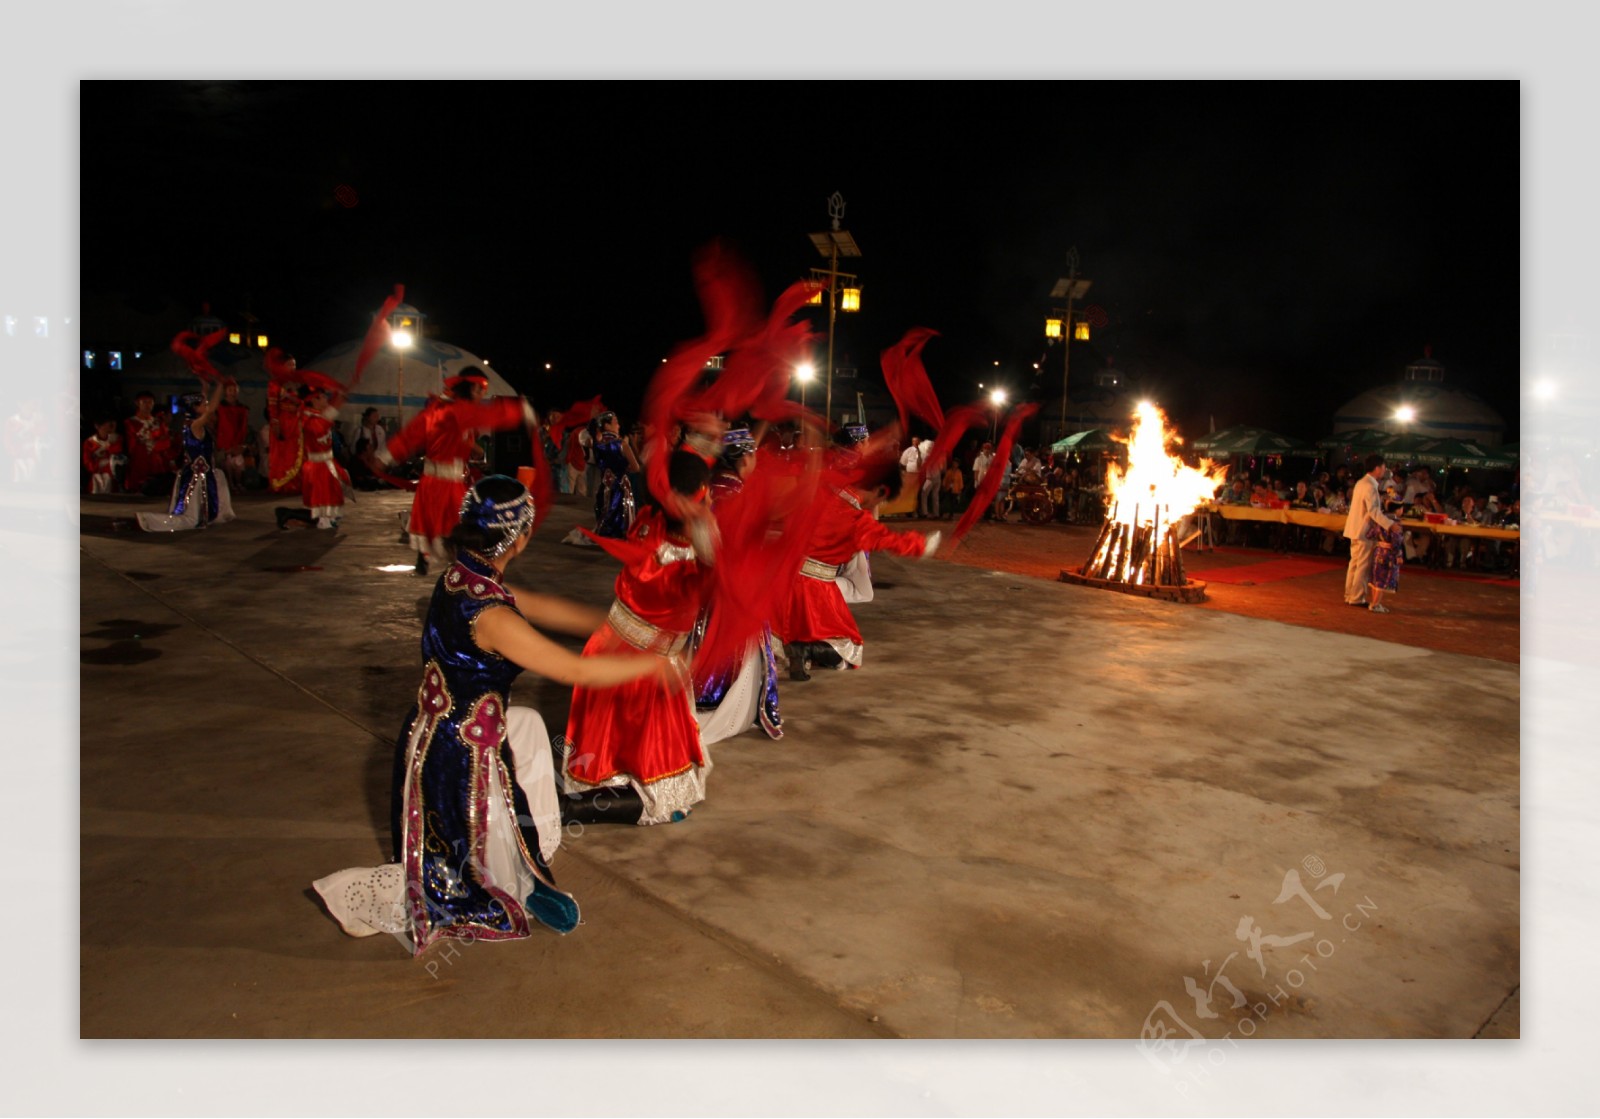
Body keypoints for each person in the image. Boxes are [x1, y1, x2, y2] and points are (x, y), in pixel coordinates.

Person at [312, 475, 673, 953]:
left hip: (431, 731)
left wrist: (618, 626)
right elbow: (569, 669)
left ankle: (531, 843)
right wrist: (652, 666)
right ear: (519, 537)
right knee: (456, 883)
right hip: (457, 754)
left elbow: (541, 606)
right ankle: (369, 897)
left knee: (525, 726)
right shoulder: (493, 617)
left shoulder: (462, 576)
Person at [559, 451, 718, 826]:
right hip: (645, 672)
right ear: (702, 494)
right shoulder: (689, 563)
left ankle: (582, 796)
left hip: (607, 650)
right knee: (664, 797)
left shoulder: (647, 525)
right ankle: (576, 809)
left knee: (608, 756)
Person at [775, 469, 940, 680]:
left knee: (780, 632)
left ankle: (797, 650)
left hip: (781, 580)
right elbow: (889, 541)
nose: (874, 507)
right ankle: (806, 650)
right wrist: (921, 545)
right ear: (879, 491)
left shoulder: (821, 492)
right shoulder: (856, 520)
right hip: (813, 589)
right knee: (850, 650)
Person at [371, 369, 534, 575]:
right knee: (453, 522)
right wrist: (519, 411)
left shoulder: (441, 410)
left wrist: (384, 457)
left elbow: (410, 435)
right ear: (473, 388)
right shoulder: (457, 410)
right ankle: (451, 563)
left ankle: (428, 560)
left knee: (437, 521)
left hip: (439, 480)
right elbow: (490, 415)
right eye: (482, 389)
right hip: (444, 482)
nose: (483, 394)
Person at [692, 428, 783, 744]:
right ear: (744, 458)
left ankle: (703, 694)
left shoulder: (708, 487)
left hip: (706, 578)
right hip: (735, 580)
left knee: (706, 634)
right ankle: (724, 701)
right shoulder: (739, 494)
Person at [137, 384, 236, 532]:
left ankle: (214, 514)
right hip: (196, 478)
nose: (207, 405)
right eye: (204, 404)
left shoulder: (192, 423)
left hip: (204, 473)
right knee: (190, 519)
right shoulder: (195, 425)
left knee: (219, 477)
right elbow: (210, 411)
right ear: (195, 408)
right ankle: (149, 520)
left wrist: (205, 387)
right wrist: (220, 387)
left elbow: (205, 410)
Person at [275, 378, 351, 530]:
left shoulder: (315, 417)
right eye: (323, 397)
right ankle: (287, 514)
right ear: (314, 400)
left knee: (327, 502)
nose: (326, 399)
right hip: (318, 467)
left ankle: (290, 516)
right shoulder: (310, 420)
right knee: (321, 505)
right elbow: (324, 424)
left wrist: (340, 395)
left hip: (325, 464)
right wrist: (340, 398)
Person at [1342, 454, 1396, 610]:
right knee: (1362, 566)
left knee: (1354, 564)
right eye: (1384, 467)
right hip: (1364, 530)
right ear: (1378, 468)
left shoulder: (1361, 483)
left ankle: (1350, 595)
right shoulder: (1370, 485)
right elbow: (1373, 511)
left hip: (1355, 529)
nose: (1384, 470)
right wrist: (1390, 524)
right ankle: (1357, 597)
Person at [589, 410, 640, 539]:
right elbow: (636, 467)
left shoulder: (597, 444)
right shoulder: (621, 444)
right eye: (616, 423)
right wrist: (625, 468)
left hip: (604, 487)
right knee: (618, 525)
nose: (619, 426)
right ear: (607, 426)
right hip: (620, 489)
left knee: (604, 518)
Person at [122, 390, 173, 495]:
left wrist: (154, 444)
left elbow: (166, 441)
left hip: (156, 461)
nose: (148, 405)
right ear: (137, 403)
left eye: (150, 402)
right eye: (144, 402)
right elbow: (130, 444)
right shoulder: (130, 423)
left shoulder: (158, 422)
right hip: (139, 460)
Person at [214, 379, 252, 493]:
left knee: (238, 464)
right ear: (225, 391)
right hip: (224, 440)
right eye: (230, 390)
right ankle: (230, 484)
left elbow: (244, 426)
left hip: (238, 440)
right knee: (228, 464)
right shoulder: (220, 407)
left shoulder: (242, 408)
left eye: (235, 390)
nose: (233, 392)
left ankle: (238, 483)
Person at [82, 417, 123, 494]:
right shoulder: (89, 442)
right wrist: (99, 465)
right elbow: (87, 463)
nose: (110, 429)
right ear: (97, 426)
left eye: (112, 426)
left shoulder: (117, 439)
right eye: (107, 426)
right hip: (96, 480)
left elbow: (117, 453)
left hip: (113, 482)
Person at [916, 438, 941, 519]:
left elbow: (920, 466)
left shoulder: (927, 456)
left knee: (924, 494)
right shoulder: (937, 455)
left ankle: (925, 513)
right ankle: (936, 513)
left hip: (930, 478)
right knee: (935, 496)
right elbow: (941, 467)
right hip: (938, 478)